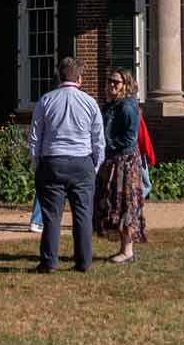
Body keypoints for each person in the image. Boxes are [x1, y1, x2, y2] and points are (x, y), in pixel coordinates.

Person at [27, 55, 104, 274]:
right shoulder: (89, 102)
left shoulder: (46, 100)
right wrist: (95, 165)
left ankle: (49, 261)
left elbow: (35, 136)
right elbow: (98, 139)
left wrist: (37, 162)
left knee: (51, 215)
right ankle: (84, 261)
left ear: (58, 77)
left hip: (52, 160)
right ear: (79, 78)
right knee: (83, 214)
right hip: (82, 161)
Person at [94, 67, 147, 264]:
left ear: (126, 85)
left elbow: (129, 137)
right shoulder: (111, 106)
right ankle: (124, 249)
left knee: (126, 205)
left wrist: (109, 145)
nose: (111, 85)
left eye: (116, 82)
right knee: (114, 204)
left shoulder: (127, 107)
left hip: (125, 162)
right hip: (113, 160)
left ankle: (127, 251)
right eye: (109, 81)